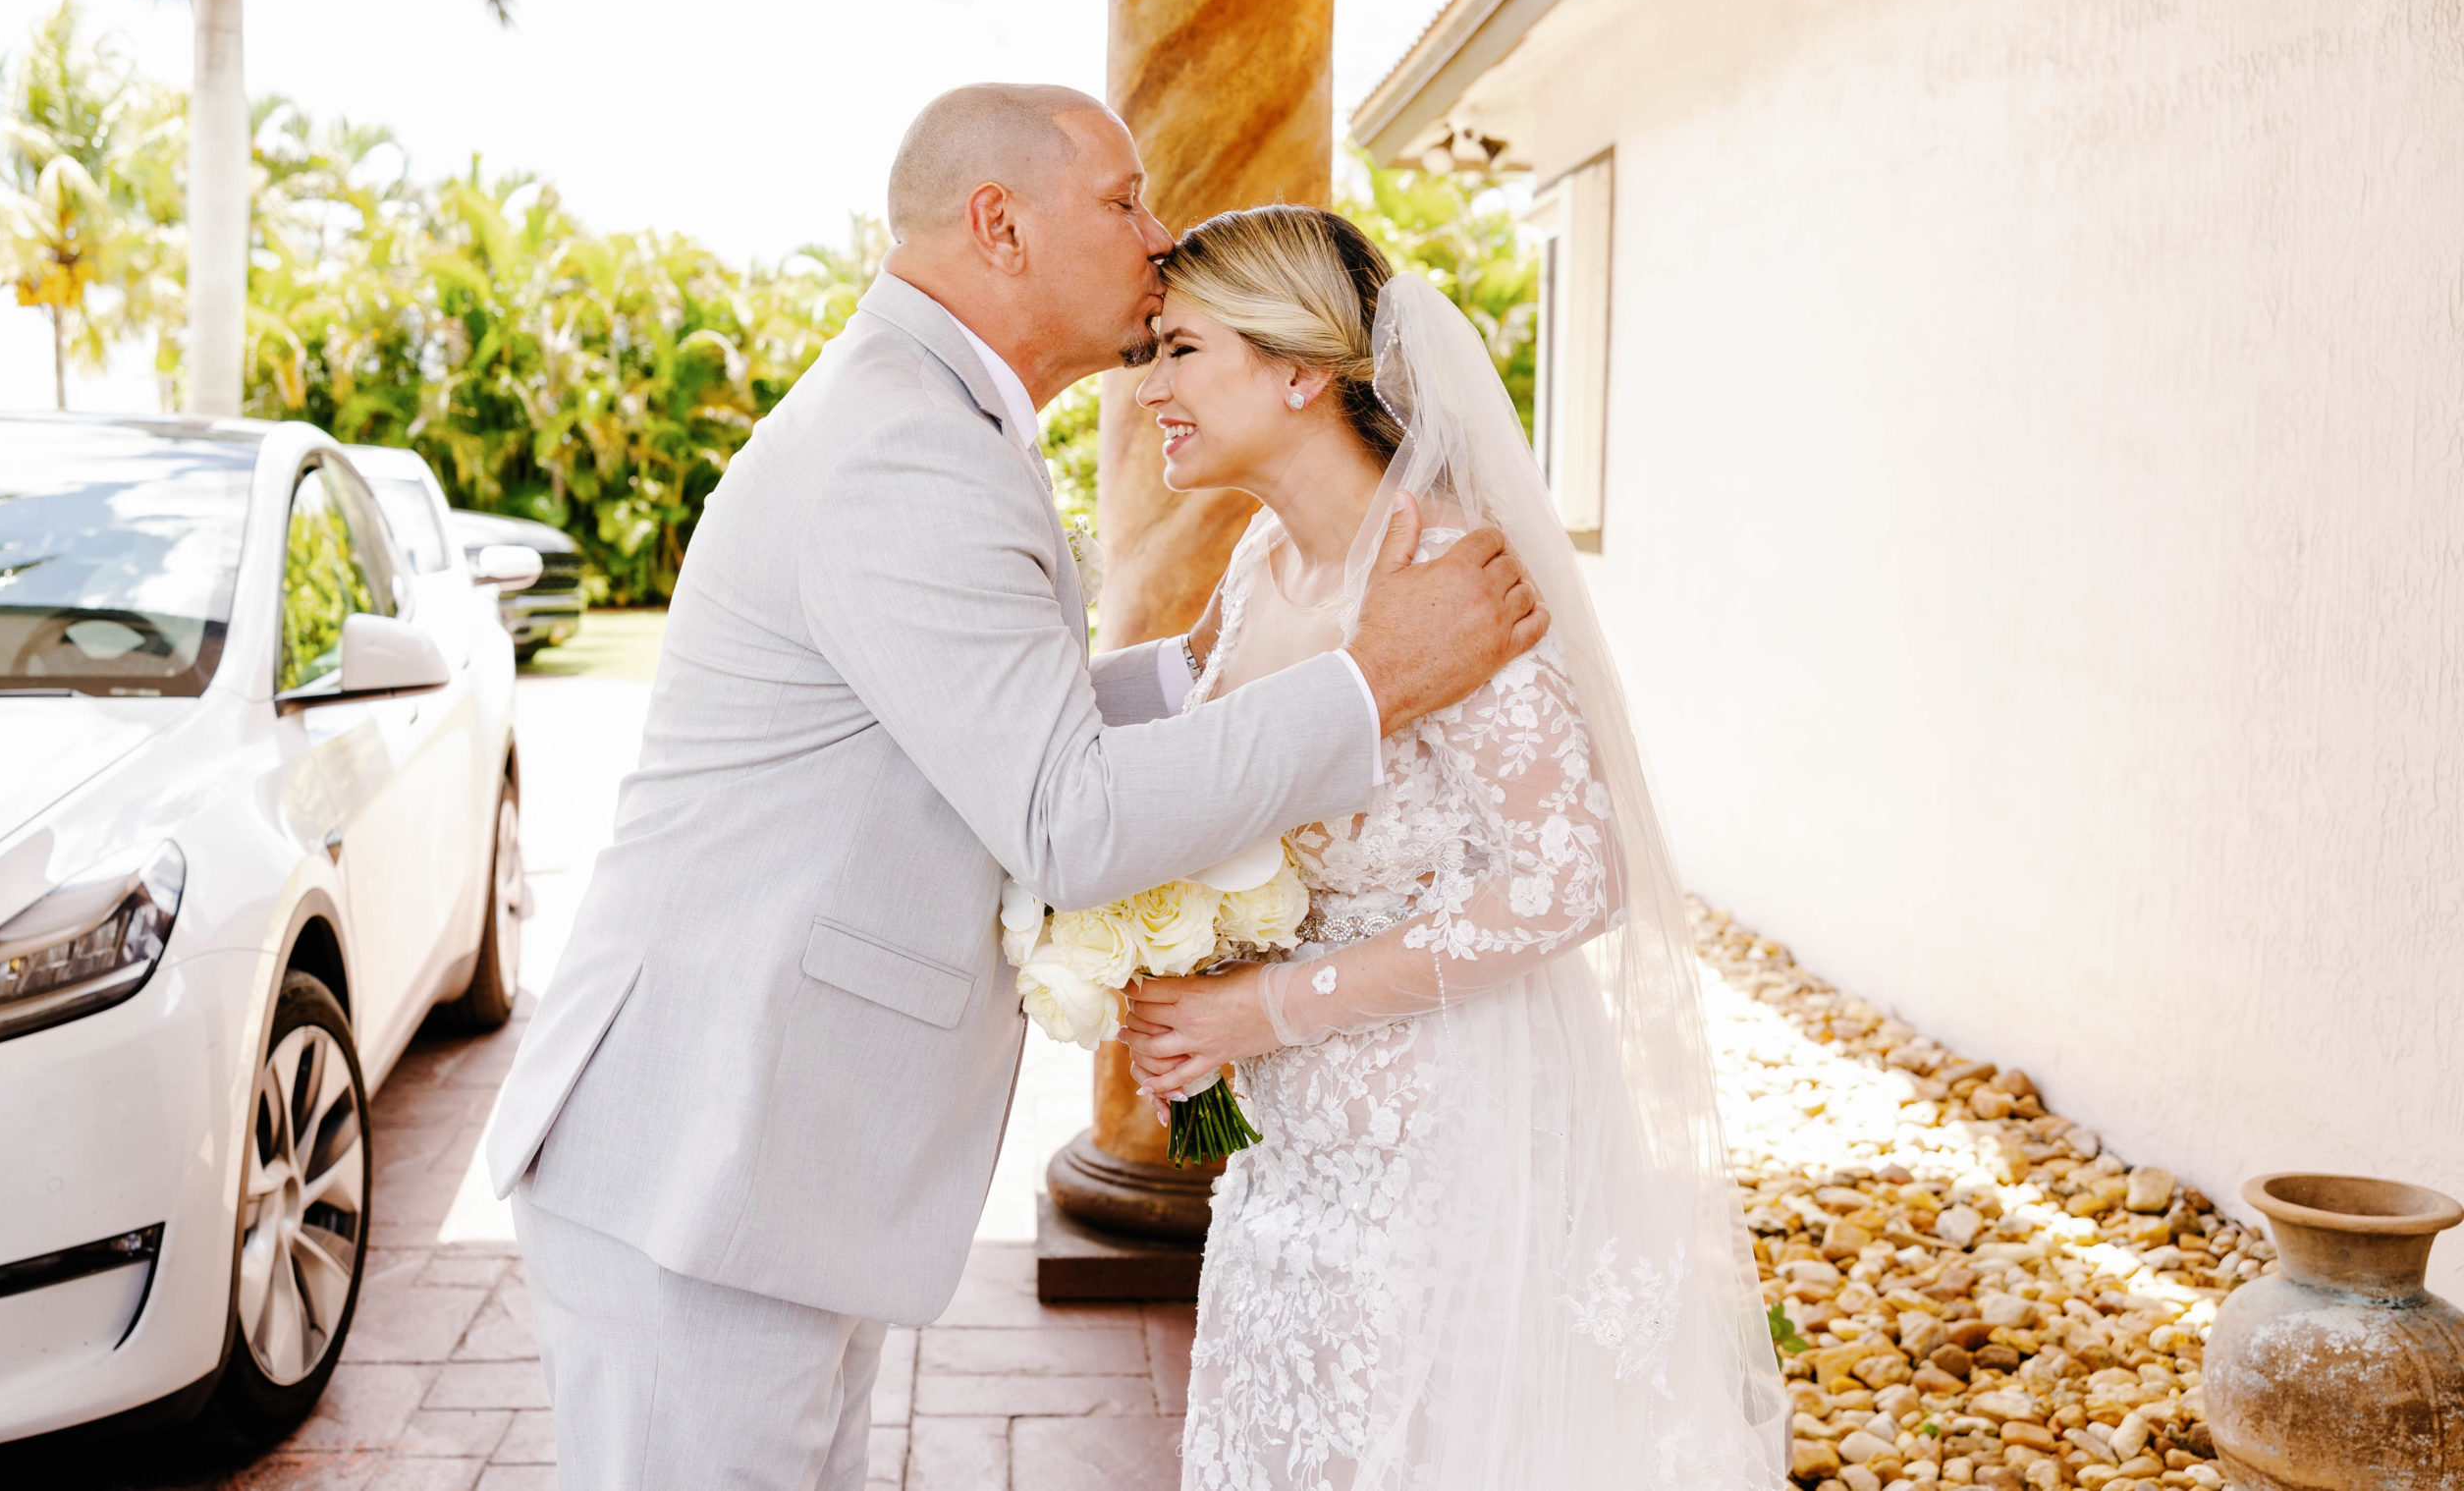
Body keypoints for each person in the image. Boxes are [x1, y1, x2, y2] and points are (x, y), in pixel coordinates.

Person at [479, 85, 1548, 1491]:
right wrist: (1368, 680)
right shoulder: (907, 444)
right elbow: (1067, 815)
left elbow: (955, 724)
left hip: (755, 1144)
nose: (1158, 242)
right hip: (708, 1144)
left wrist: (1218, 670)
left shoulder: (924, 414)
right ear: (1000, 225)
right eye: (1124, 202)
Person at [1118, 206, 1789, 1490]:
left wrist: (1256, 1005)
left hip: (1442, 1149)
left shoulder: (1455, 576)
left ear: (1299, 368)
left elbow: (1573, 874)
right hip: (1284, 1154)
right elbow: (1210, 760)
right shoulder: (1263, 562)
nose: (1151, 389)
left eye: (1178, 351)